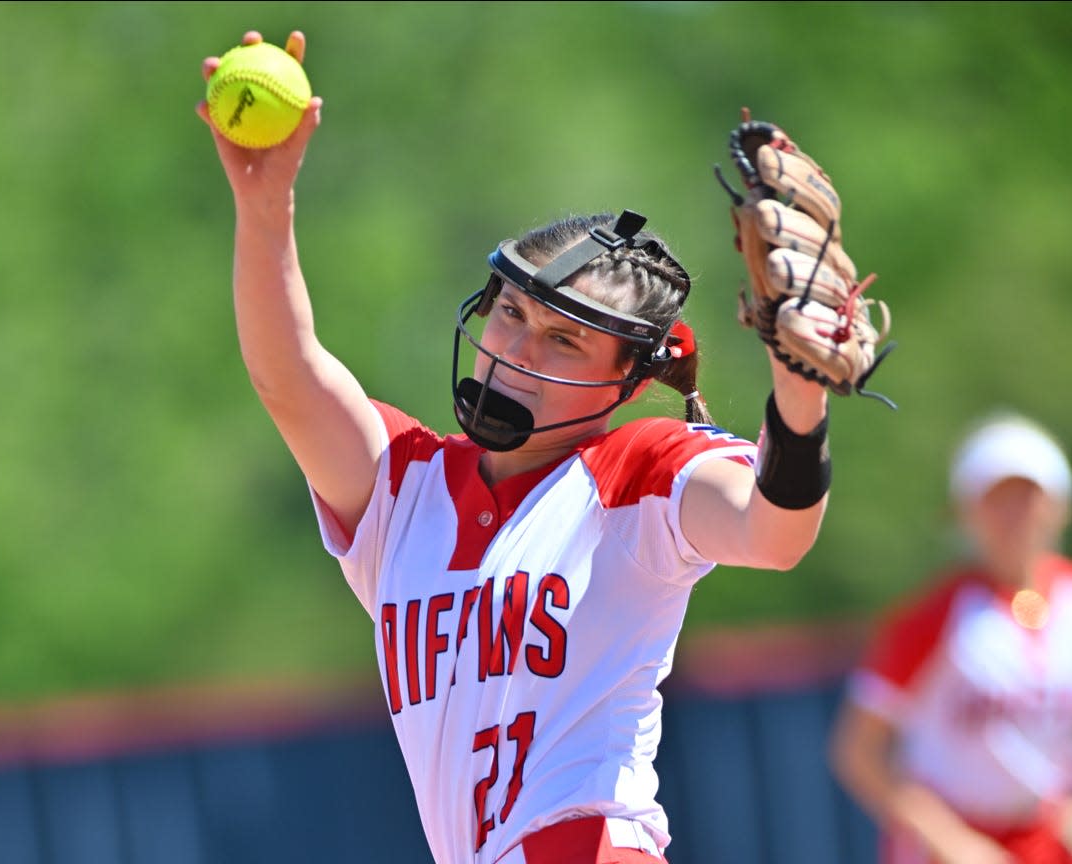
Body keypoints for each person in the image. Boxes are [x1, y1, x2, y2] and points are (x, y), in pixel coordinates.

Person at [198, 29, 843, 864]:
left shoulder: (634, 472)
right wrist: (263, 207)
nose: (518, 349)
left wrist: (798, 397)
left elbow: (774, 530)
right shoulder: (408, 488)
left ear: (625, 381)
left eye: (565, 341)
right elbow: (287, 377)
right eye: (512, 313)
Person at [829, 412, 1072, 864]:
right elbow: (858, 751)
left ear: (1057, 505)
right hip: (951, 846)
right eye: (996, 501)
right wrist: (947, 839)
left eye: (1028, 497)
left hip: (1046, 839)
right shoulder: (931, 619)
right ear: (966, 513)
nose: (1013, 516)